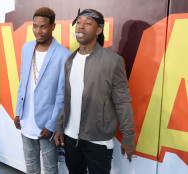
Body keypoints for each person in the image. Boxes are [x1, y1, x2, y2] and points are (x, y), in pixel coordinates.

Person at [54, 9, 136, 174]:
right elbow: (67, 98)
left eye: (87, 23)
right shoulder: (70, 61)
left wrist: (128, 136)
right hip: (70, 138)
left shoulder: (113, 61)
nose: (81, 27)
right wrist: (59, 126)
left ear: (98, 30)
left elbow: (122, 101)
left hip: (98, 141)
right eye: (78, 23)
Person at [14, 7, 71, 174]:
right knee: (31, 166)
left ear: (53, 26)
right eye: (35, 26)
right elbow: (22, 82)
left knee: (50, 168)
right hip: (26, 119)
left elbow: (62, 95)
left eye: (43, 26)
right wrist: (18, 111)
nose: (38, 31)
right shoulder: (26, 48)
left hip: (46, 124)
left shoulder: (63, 55)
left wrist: (53, 124)